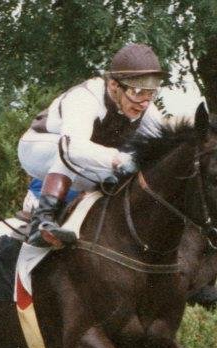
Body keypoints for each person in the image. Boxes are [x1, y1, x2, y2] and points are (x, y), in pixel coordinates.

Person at [18, 43, 167, 248]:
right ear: (113, 85)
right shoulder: (85, 97)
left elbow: (166, 141)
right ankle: (41, 221)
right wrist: (120, 159)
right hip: (38, 148)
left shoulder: (145, 108)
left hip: (76, 160)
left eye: (151, 93)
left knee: (118, 179)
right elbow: (73, 149)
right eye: (138, 91)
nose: (144, 103)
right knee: (74, 154)